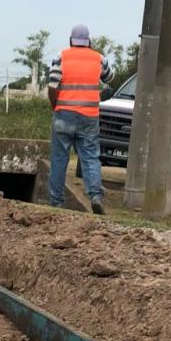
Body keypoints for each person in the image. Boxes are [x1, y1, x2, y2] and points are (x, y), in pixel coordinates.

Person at [47, 24, 114, 214]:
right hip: (89, 117)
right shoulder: (99, 59)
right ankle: (95, 196)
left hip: (63, 114)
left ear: (71, 40)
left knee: (59, 159)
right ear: (89, 41)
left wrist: (55, 106)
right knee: (90, 158)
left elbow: (52, 86)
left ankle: (56, 202)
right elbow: (109, 77)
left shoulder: (61, 57)